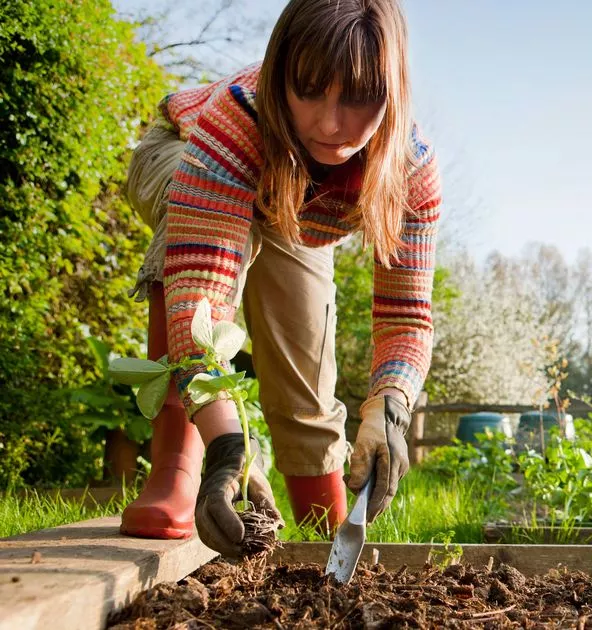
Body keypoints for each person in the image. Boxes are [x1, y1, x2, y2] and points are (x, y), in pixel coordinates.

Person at [118, 0, 440, 558]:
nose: (331, 123)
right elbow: (200, 289)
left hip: (292, 212)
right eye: (309, 89)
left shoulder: (410, 168)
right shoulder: (237, 115)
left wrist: (389, 407)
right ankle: (179, 466)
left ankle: (326, 525)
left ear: (392, 90)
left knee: (306, 352)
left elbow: (405, 317)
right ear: (280, 71)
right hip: (183, 153)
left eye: (360, 97)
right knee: (198, 248)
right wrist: (226, 444)